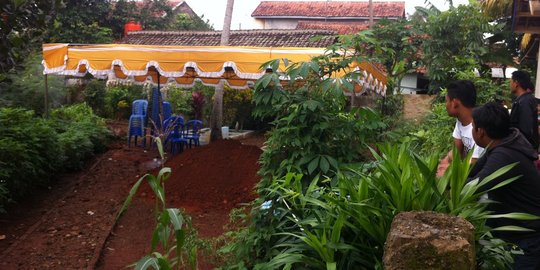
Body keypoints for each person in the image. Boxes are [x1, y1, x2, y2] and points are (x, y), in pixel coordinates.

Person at [469, 102, 540, 269]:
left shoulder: (504, 154)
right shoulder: (502, 145)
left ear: (480, 132)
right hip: (515, 235)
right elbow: (471, 175)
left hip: (529, 239)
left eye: (473, 127)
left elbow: (474, 187)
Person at [438, 80, 484, 175]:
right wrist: (444, 162)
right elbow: (456, 150)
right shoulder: (460, 121)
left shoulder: (479, 127)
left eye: (446, 101)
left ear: (454, 103)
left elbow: (475, 165)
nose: (445, 105)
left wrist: (448, 172)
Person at [510, 70, 539, 151]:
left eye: (511, 82)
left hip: (524, 150)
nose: (510, 85)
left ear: (516, 83)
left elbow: (526, 129)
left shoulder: (525, 101)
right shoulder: (522, 100)